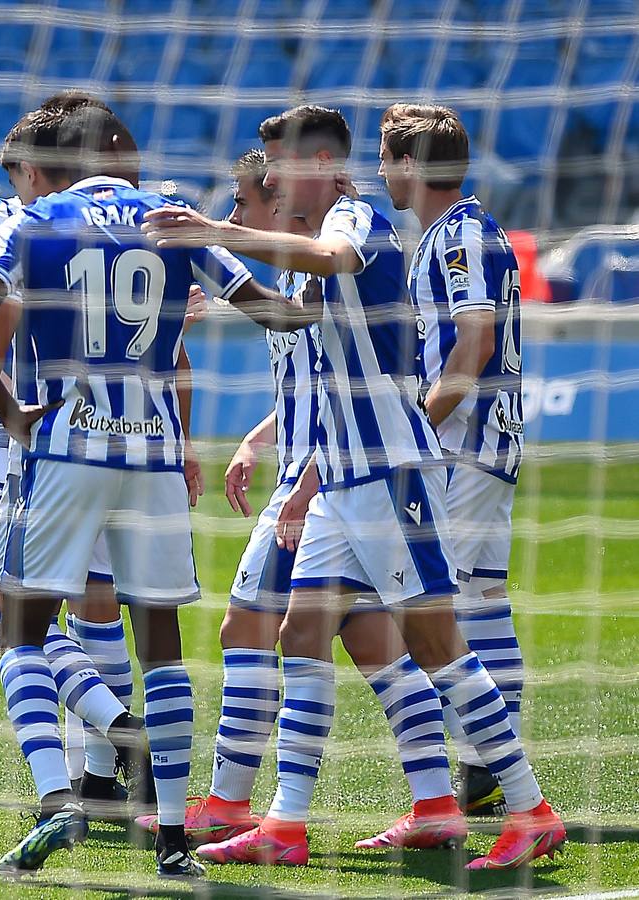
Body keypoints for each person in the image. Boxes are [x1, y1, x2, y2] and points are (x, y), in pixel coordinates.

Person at [145, 104, 563, 870]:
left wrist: (215, 232)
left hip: (390, 470)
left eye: (279, 164)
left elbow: (330, 261)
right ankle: (285, 824)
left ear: (325, 165)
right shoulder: (323, 237)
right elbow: (284, 316)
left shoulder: (357, 219)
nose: (269, 177)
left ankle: (531, 809)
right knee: (299, 633)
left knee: (438, 642)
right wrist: (204, 262)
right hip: (340, 474)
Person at [0, 102, 286, 879]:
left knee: (22, 631)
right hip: (155, 456)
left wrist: (8, 411)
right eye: (129, 145)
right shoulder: (174, 219)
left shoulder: (37, 219)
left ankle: (59, 795)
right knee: (161, 648)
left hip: (66, 447)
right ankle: (171, 840)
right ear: (109, 149)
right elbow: (276, 312)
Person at [138, 149, 465, 853]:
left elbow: (343, 399)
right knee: (370, 644)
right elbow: (301, 381)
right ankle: (435, 799)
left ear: (277, 202)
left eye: (241, 205)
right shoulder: (298, 275)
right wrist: (258, 437)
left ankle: (231, 803)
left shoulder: (322, 263)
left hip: (333, 479)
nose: (234, 215)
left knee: (246, 628)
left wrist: (306, 483)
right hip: (324, 474)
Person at [379, 102, 528, 819]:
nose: (382, 173)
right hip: (485, 446)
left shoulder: (461, 233)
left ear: (410, 165)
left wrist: (415, 425)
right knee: (481, 607)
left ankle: (482, 768)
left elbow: (472, 345)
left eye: (388, 159)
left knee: (438, 609)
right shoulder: (458, 229)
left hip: (462, 449)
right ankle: (490, 769)